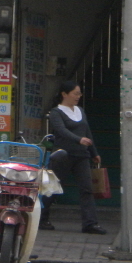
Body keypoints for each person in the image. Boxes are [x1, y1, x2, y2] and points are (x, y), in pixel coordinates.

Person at [40, 81, 106, 235]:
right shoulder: (56, 112)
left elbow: (87, 132)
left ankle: (90, 223)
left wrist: (94, 152)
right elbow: (61, 130)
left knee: (87, 189)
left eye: (79, 93)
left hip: (82, 155)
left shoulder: (80, 110)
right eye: (75, 93)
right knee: (52, 187)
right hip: (62, 155)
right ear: (64, 94)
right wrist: (78, 139)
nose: (78, 96)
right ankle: (42, 218)